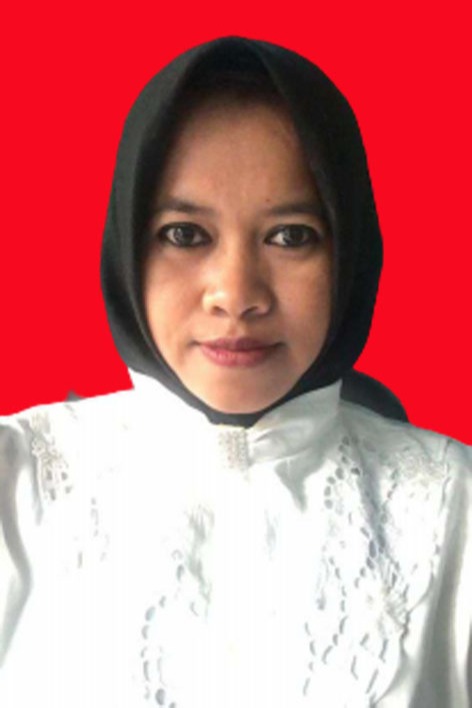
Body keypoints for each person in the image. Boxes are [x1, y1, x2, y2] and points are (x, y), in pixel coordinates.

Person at [0, 35, 470, 707]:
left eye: (291, 236)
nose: (236, 293)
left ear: (350, 252)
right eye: (185, 234)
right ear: (129, 250)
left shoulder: (454, 509)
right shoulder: (18, 487)